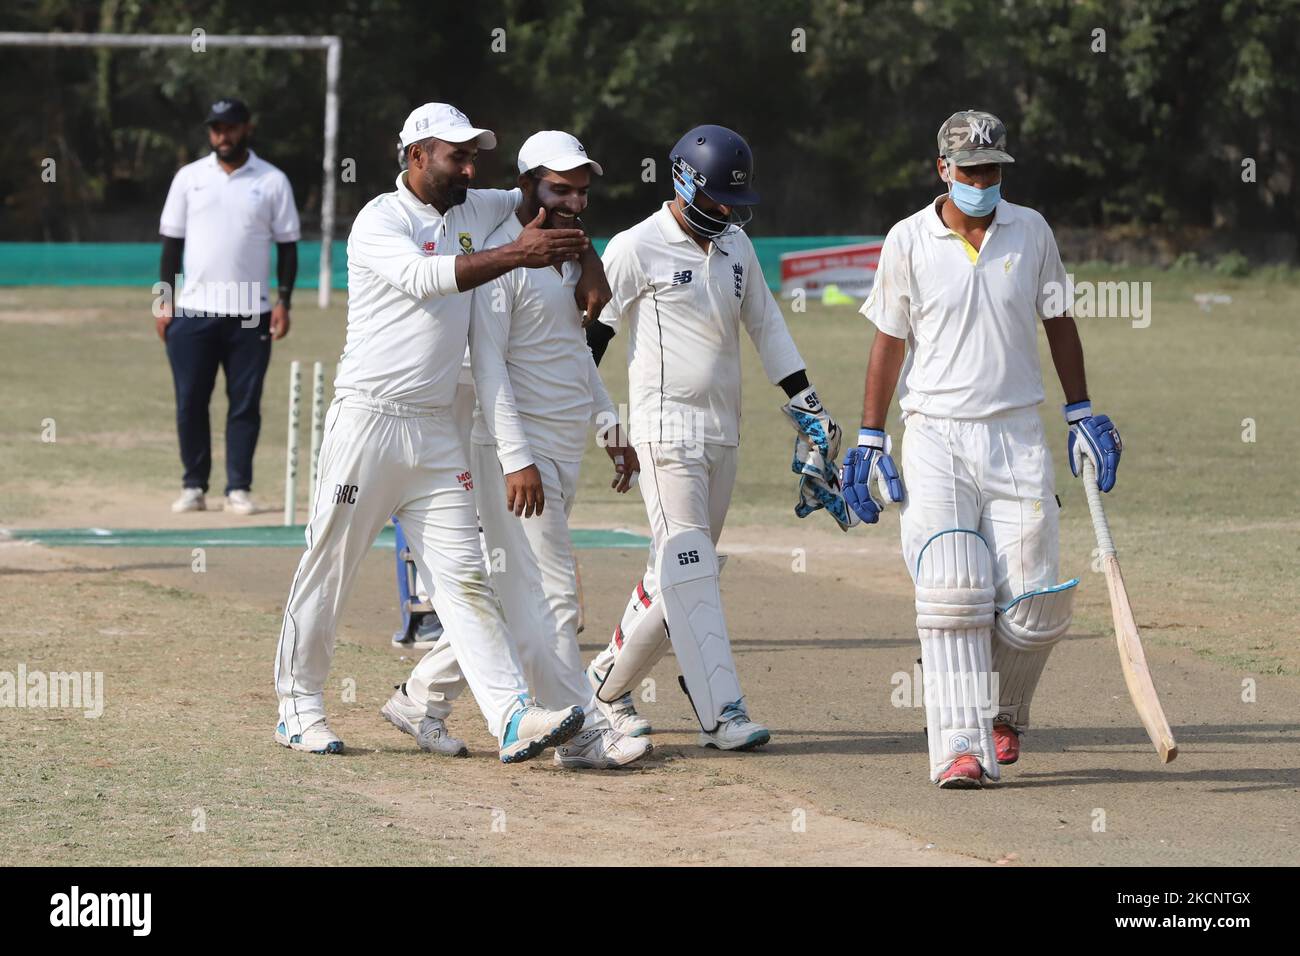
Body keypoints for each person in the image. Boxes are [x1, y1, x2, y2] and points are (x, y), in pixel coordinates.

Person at [272, 102, 612, 762]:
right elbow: (428, 279)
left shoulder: (476, 207)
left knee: (466, 581)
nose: (469, 165)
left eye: (474, 155)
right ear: (416, 156)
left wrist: (586, 258)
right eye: (456, 154)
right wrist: (518, 253)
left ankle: (511, 716)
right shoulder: (379, 219)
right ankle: (297, 705)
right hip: (368, 420)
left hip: (434, 434)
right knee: (330, 564)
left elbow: (546, 201)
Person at [841, 109, 1122, 788]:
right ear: (943, 169)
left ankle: (1003, 713)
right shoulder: (908, 239)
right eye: (970, 171)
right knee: (954, 590)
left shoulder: (1031, 231)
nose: (983, 181)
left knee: (1034, 604)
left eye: (993, 170)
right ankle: (960, 748)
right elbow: (888, 341)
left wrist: (1080, 408)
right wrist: (871, 435)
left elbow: (1059, 320)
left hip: (1017, 431)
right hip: (936, 433)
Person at [381, 131, 650, 769]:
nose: (575, 202)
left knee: (511, 596)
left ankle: (422, 697)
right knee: (556, 597)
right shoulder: (507, 258)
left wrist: (608, 426)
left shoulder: (572, 254)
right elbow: (490, 366)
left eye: (583, 190)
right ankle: (583, 735)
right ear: (527, 185)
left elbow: (572, 355)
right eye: (560, 188)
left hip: (560, 446)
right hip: (515, 453)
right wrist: (515, 459)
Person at [584, 125, 843, 751]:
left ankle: (600, 686)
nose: (727, 211)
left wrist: (807, 404)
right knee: (691, 567)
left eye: (736, 202)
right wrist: (603, 422)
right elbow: (588, 342)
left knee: (675, 573)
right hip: (663, 431)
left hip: (724, 434)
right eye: (718, 199)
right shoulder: (635, 247)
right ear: (682, 180)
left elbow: (768, 327)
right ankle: (722, 713)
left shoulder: (736, 247)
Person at [157, 97, 299, 515]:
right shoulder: (188, 177)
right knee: (190, 401)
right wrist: (162, 301)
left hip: (250, 313)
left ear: (246, 128)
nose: (223, 135)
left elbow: (288, 247)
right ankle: (193, 485)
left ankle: (238, 487)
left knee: (245, 404)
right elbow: (171, 245)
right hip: (192, 311)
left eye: (230, 127)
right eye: (216, 128)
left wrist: (283, 301)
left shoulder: (272, 180)